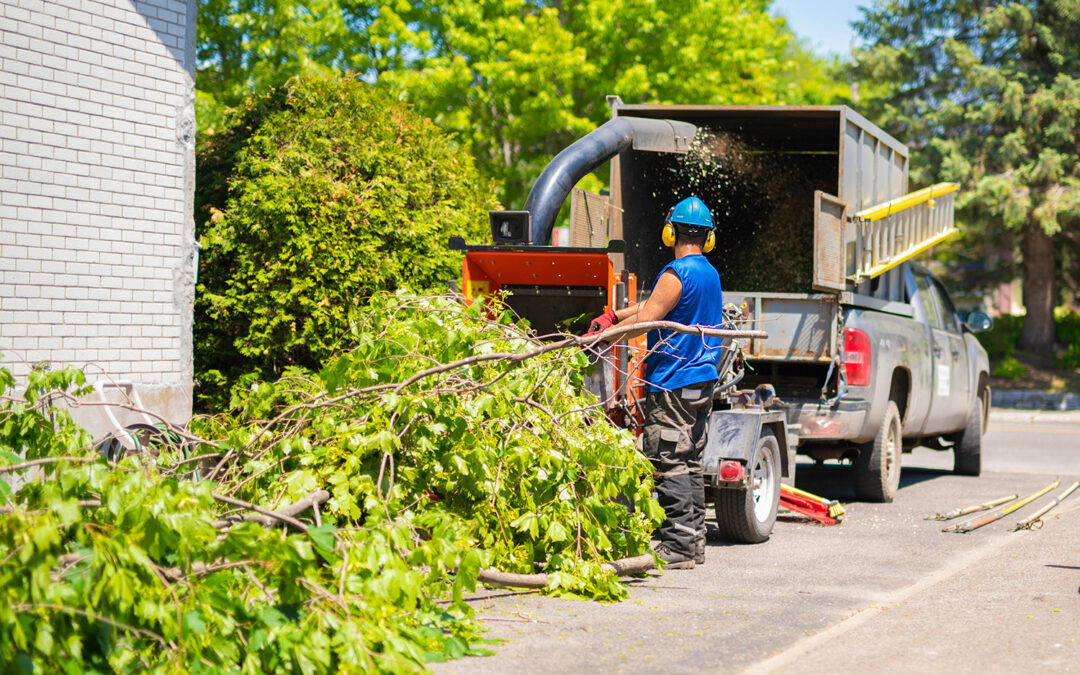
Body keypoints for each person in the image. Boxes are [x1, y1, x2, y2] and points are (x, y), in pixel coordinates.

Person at [585, 196, 724, 569]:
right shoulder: (707, 273)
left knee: (668, 459)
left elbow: (646, 321)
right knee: (689, 459)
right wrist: (613, 314)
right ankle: (693, 543)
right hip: (701, 380)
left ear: (670, 231)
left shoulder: (676, 273)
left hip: (673, 382)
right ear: (707, 238)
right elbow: (655, 306)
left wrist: (597, 341)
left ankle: (676, 546)